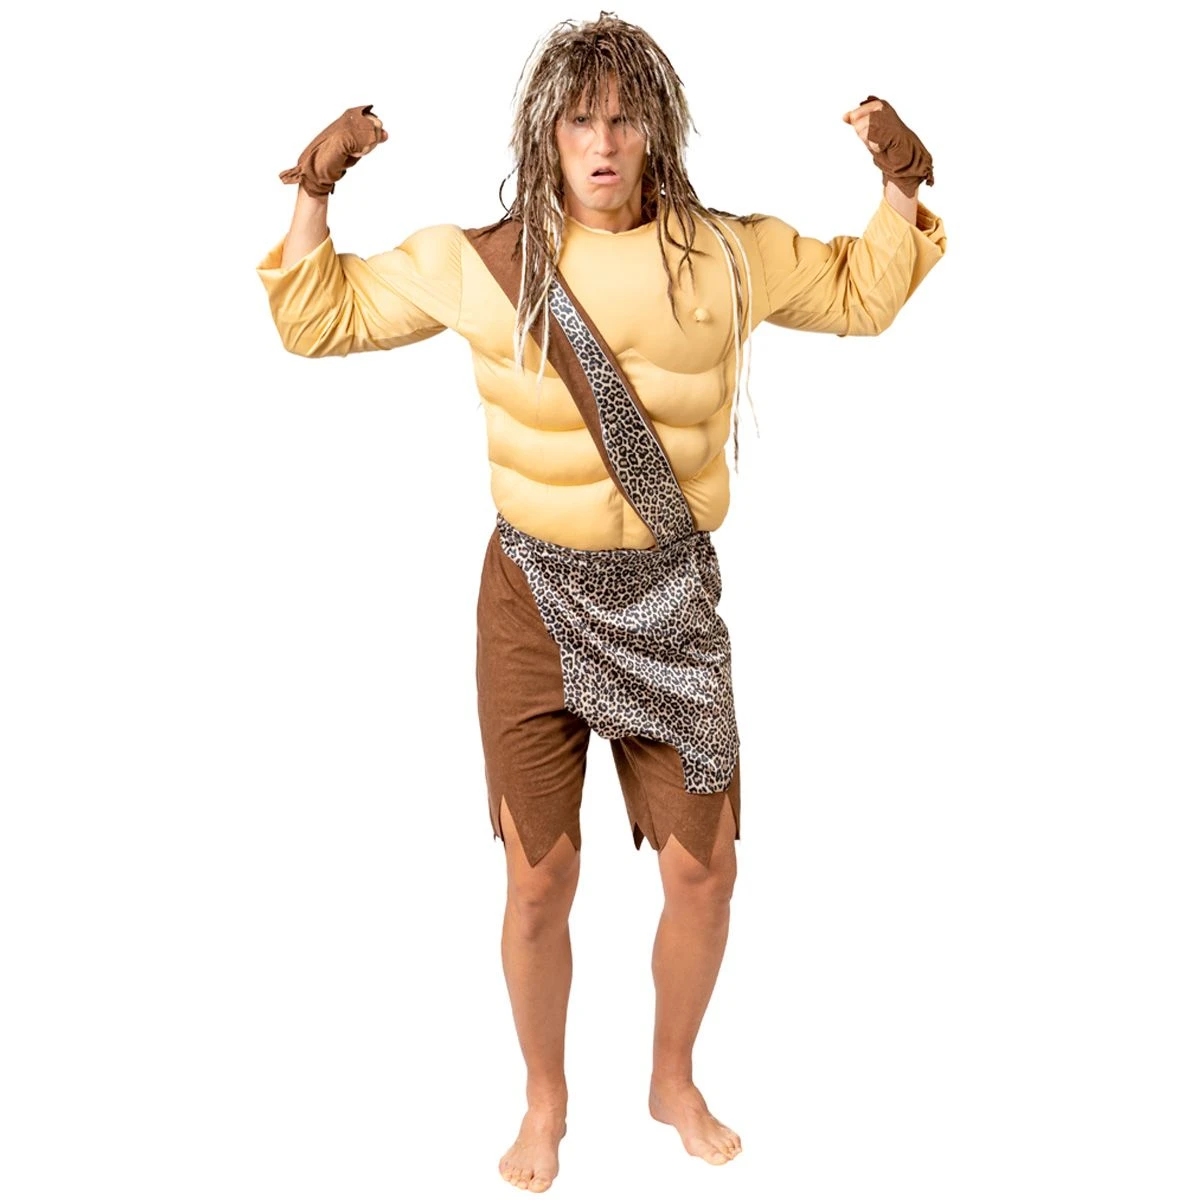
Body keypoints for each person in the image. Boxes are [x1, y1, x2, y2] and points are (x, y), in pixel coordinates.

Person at [256, 11, 945, 1191]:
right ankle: (545, 1097)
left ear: (656, 128)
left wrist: (902, 180)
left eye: (625, 118)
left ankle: (673, 1078)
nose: (604, 143)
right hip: (533, 600)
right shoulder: (483, 265)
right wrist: (315, 188)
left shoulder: (728, 256)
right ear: (548, 132)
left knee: (705, 873)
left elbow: (862, 293)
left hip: (671, 603)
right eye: (581, 120)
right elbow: (316, 318)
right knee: (538, 882)